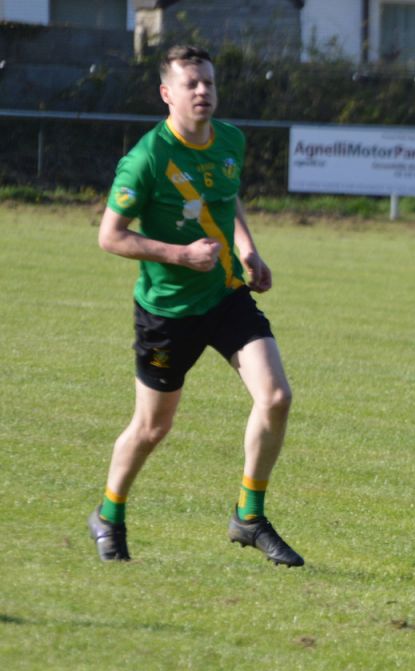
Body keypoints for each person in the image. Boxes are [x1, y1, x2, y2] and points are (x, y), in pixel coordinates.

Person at [87, 44, 303, 567]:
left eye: (208, 82)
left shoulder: (230, 139)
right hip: (166, 311)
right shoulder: (146, 160)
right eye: (191, 84)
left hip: (226, 295)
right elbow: (110, 237)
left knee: (275, 397)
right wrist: (179, 254)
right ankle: (109, 514)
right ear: (167, 94)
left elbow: (225, 200)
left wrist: (247, 248)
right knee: (152, 428)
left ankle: (248, 517)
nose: (203, 91)